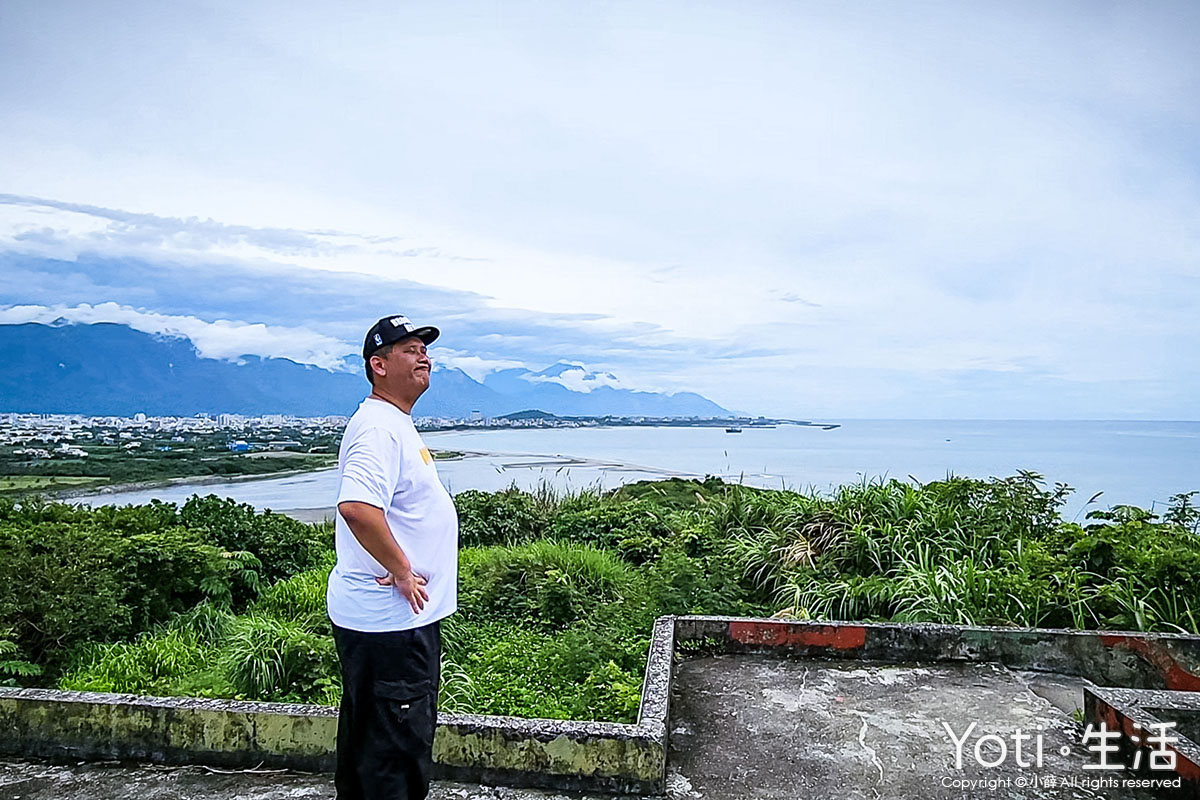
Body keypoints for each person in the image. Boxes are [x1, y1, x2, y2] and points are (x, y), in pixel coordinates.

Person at [326, 314, 458, 800]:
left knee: (370, 740)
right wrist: (402, 571)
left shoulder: (391, 422)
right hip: (392, 625)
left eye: (424, 349)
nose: (423, 355)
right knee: (396, 753)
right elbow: (358, 508)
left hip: (388, 624)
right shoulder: (379, 429)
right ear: (378, 365)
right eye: (409, 349)